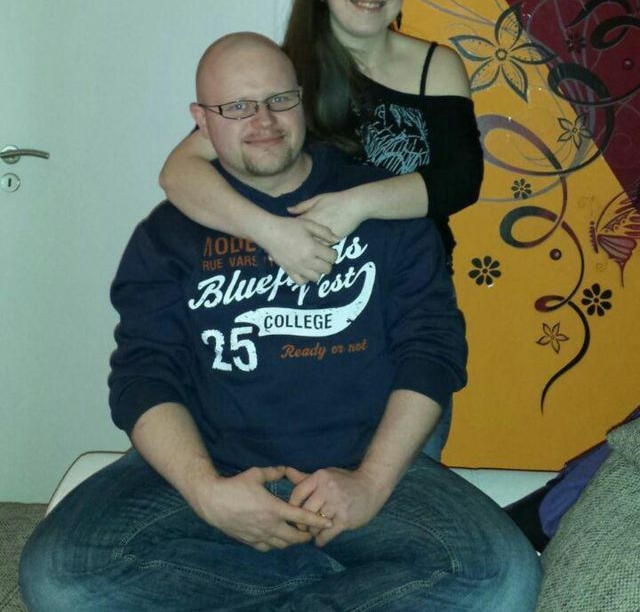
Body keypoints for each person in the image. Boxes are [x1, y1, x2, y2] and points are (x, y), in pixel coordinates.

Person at [20, 34, 539, 612]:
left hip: (358, 470)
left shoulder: (382, 205)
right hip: (215, 470)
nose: (263, 121)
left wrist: (370, 482)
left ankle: (261, 577)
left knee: (502, 579)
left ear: (302, 101)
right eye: (237, 106)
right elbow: (144, 377)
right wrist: (207, 493)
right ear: (201, 121)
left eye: (278, 100)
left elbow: (432, 353)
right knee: (59, 577)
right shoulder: (167, 237)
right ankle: (331, 577)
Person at [159, 0, 484, 458]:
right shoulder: (284, 76)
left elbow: (461, 181)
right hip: (300, 312)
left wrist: (355, 204)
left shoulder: (437, 67)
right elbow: (179, 173)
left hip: (406, 314)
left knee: (400, 488)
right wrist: (272, 233)